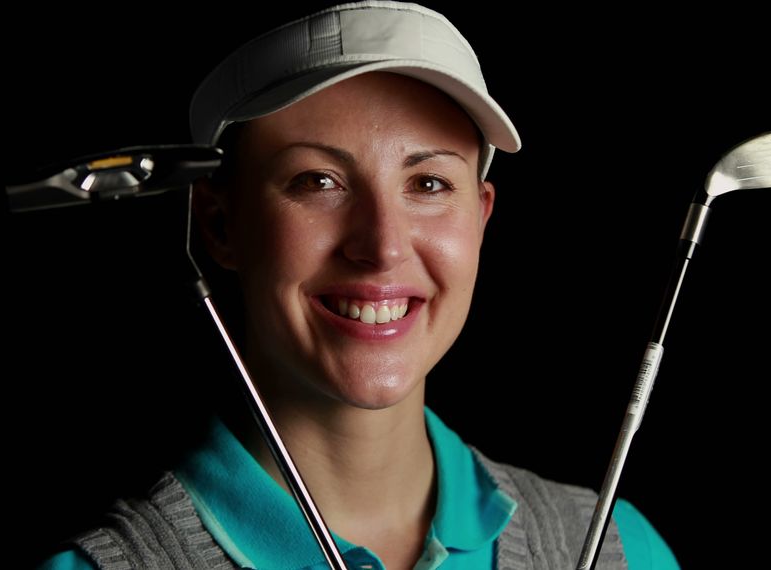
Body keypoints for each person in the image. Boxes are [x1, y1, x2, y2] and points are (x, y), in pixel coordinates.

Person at [39, 2, 679, 569]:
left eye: (428, 184)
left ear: (481, 216)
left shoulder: (615, 547)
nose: (382, 247)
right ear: (218, 224)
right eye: (317, 181)